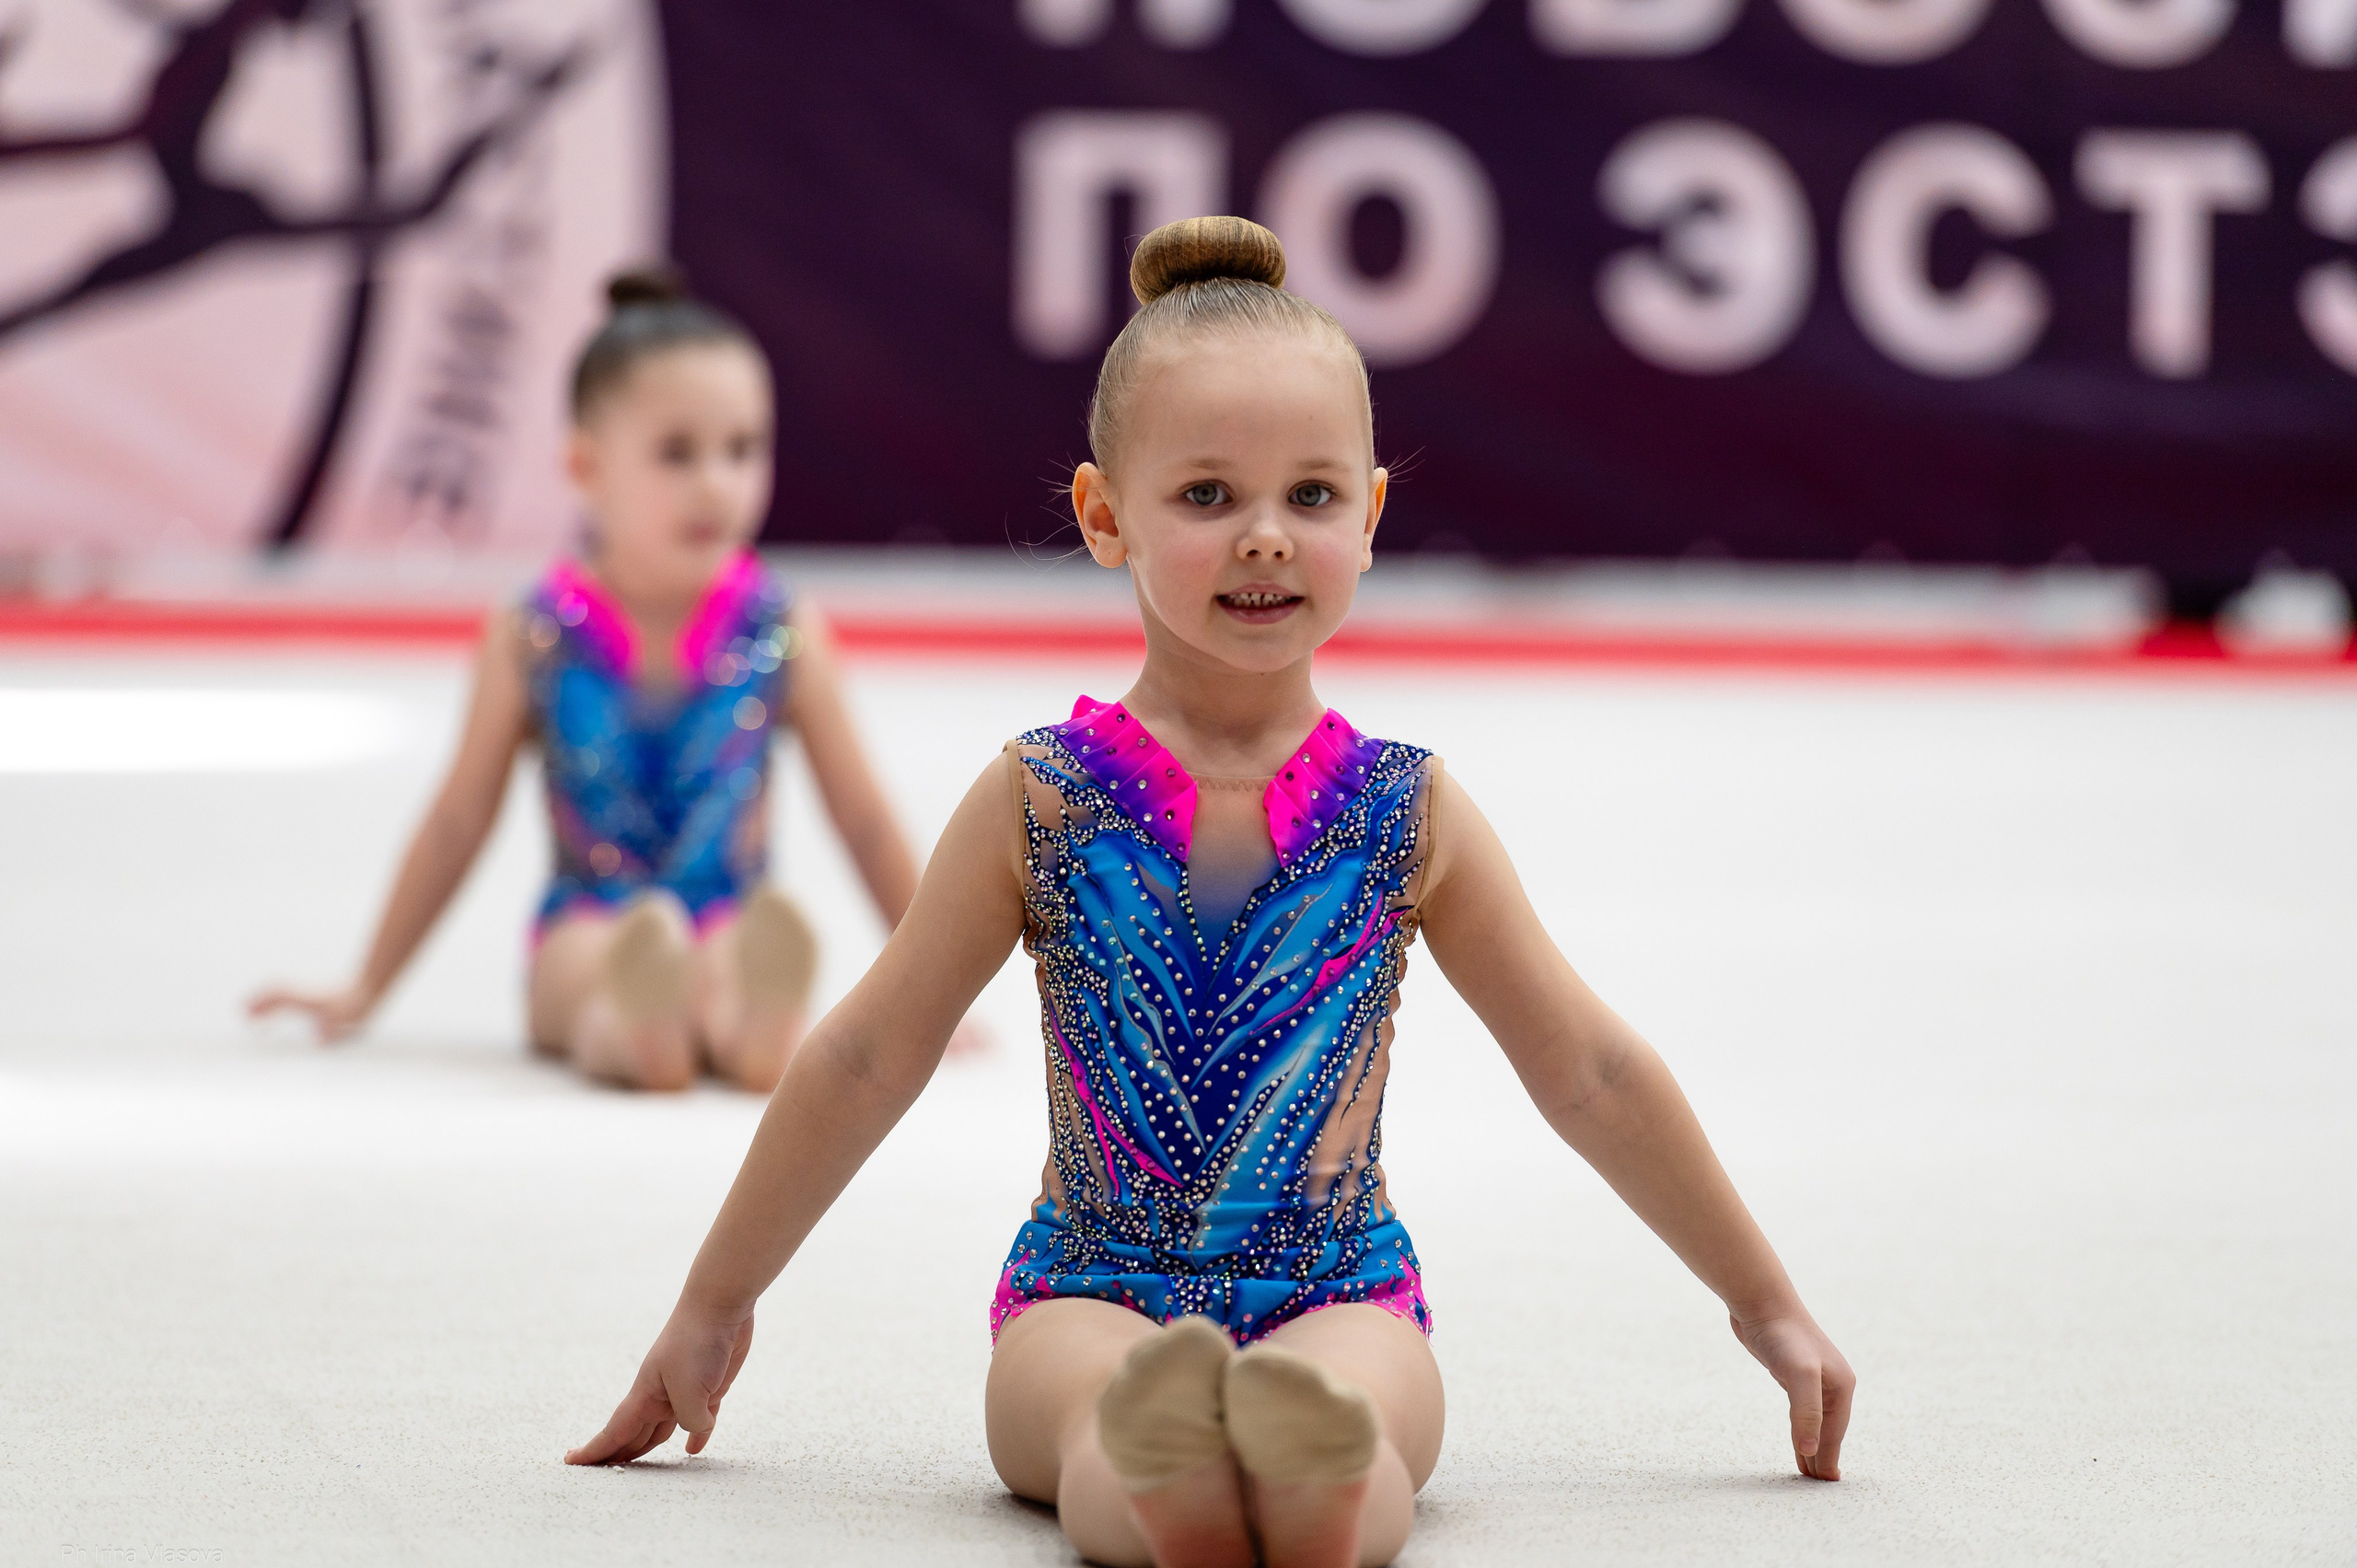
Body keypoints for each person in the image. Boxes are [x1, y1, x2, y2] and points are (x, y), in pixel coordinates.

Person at [564, 219, 1855, 1566]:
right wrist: (715, 1299)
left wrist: (1759, 1297)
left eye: (1309, 496)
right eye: (1205, 498)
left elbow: (1586, 1065)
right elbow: (869, 1051)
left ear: (1369, 511)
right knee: (1096, 1415)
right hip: (1087, 1286)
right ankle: (1164, 1466)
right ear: (1103, 513)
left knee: (1367, 1406)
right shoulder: (1042, 798)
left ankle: (1312, 1467)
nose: (1264, 539)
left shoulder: (1406, 809)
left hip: (1340, 1289)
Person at [251, 270, 932, 1093]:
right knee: (587, 972)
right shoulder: (533, 632)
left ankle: (757, 1029)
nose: (716, 481)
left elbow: (864, 818)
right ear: (585, 465)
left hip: (729, 916)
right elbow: (456, 821)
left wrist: (930, 991)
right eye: (677, 454)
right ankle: (640, 1029)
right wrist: (365, 984)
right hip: (588, 917)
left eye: (743, 448)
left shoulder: (784, 628)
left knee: (734, 953)